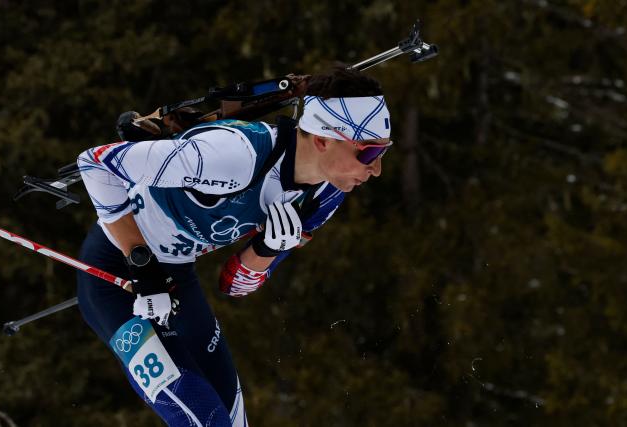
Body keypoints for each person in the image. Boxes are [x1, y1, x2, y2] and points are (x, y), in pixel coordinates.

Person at [75, 66, 393, 426]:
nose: (377, 169)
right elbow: (96, 164)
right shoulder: (232, 156)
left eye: (383, 152)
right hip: (115, 275)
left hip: (176, 280)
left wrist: (267, 249)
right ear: (322, 139)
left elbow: (233, 286)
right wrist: (141, 261)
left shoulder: (325, 194)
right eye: (367, 154)